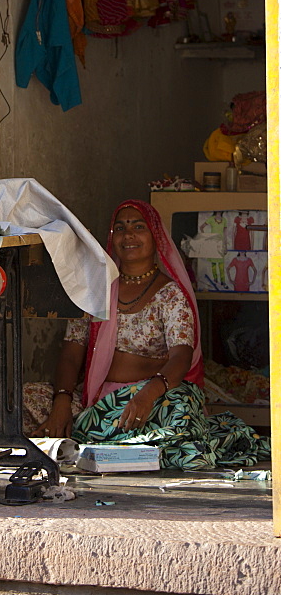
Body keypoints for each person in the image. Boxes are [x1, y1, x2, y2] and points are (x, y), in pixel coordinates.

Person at [31, 200, 269, 470]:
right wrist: (62, 400)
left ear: (156, 238)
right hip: (94, 397)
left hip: (153, 397)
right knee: (26, 400)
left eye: (138, 226)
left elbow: (181, 356)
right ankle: (100, 437)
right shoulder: (97, 290)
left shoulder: (170, 295)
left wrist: (147, 395)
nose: (128, 234)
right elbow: (72, 354)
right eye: (119, 228)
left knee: (180, 412)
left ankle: (91, 439)